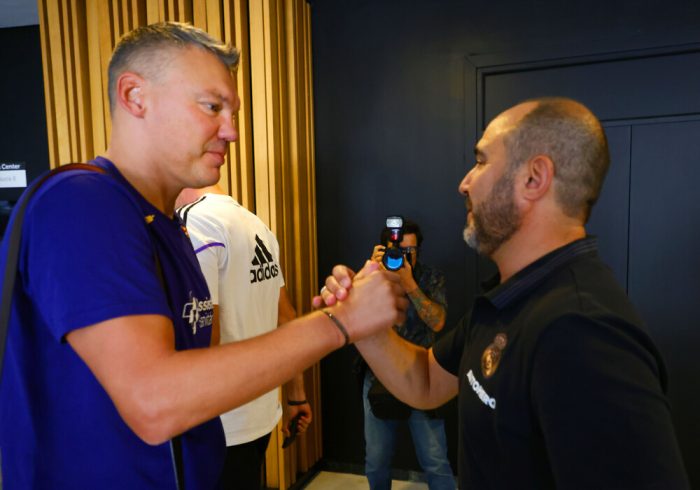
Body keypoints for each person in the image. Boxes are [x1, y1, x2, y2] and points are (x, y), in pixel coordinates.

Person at [0, 22, 407, 489]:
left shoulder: (167, 224)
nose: (231, 131)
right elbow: (156, 402)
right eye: (212, 107)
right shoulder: (81, 201)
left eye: (232, 112)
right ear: (134, 96)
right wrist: (339, 323)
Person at [316, 97, 690, 489]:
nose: (464, 183)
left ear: (533, 179)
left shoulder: (583, 332)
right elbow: (426, 380)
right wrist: (362, 324)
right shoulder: (506, 299)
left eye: (480, 161)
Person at [176, 185, 312, 489]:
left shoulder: (195, 222)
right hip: (259, 414)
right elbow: (287, 317)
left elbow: (204, 326)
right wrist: (296, 395)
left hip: (220, 420)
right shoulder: (258, 226)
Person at [363, 219, 454, 490]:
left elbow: (437, 322)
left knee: (436, 461)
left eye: (409, 251)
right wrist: (368, 274)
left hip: (422, 375)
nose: (403, 257)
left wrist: (409, 283)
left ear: (418, 251)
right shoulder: (372, 278)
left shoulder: (430, 277)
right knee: (376, 461)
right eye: (397, 251)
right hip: (379, 376)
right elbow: (354, 320)